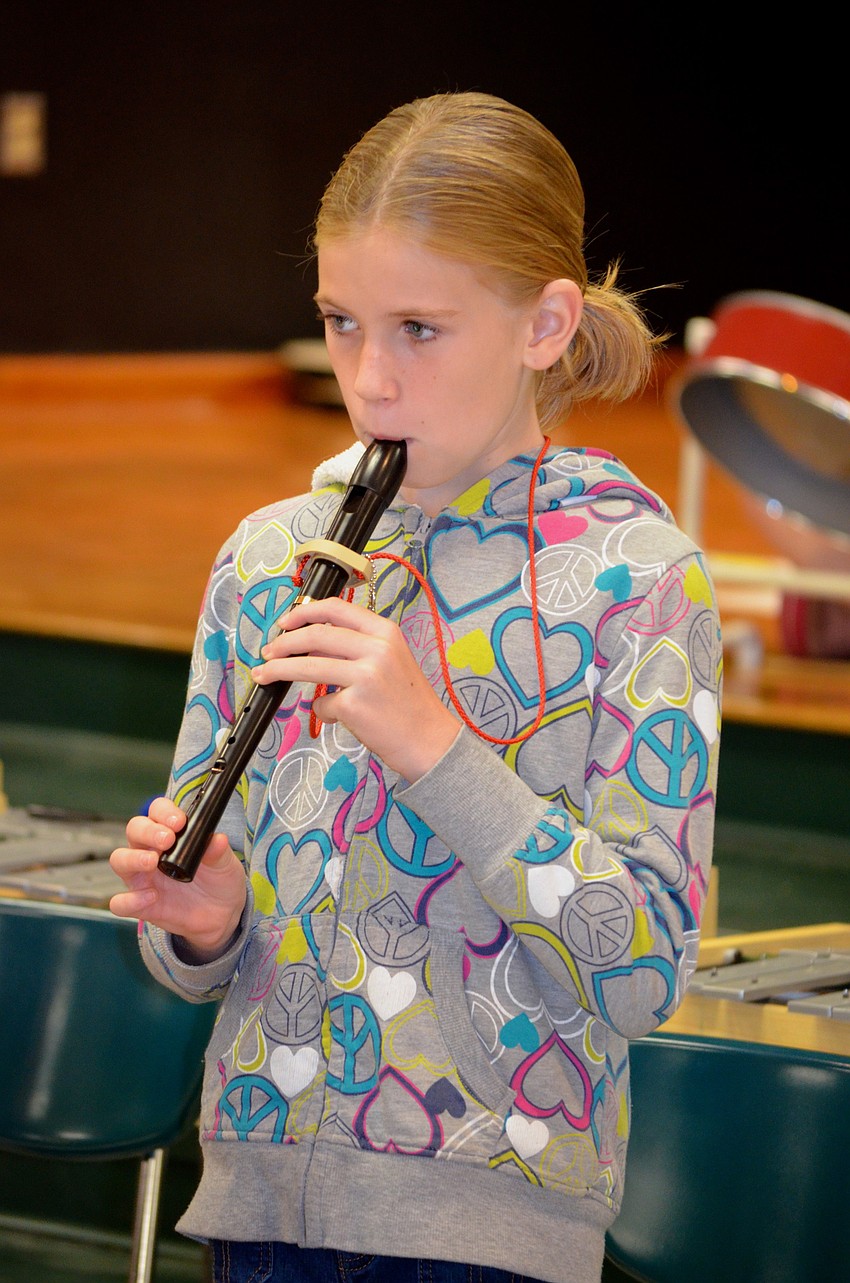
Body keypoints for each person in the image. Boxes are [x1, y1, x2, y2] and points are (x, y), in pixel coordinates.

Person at [109, 91, 722, 1283]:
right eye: (341, 322)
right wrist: (206, 919)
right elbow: (195, 940)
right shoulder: (268, 558)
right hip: (255, 1210)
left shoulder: (637, 579)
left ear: (545, 323)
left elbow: (644, 968)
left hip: (484, 1236)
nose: (369, 378)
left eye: (419, 329)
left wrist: (435, 747)